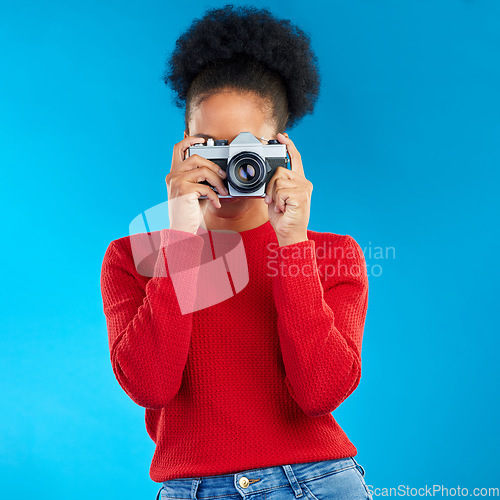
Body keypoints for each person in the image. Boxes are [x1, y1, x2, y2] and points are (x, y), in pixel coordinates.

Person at [100, 4, 371, 499]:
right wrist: (180, 238)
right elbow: (148, 386)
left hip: (316, 482)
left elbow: (321, 392)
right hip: (193, 488)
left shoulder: (332, 254)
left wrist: (292, 243)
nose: (231, 167)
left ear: (281, 152)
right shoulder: (132, 257)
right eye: (210, 146)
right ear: (183, 147)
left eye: (246, 149)